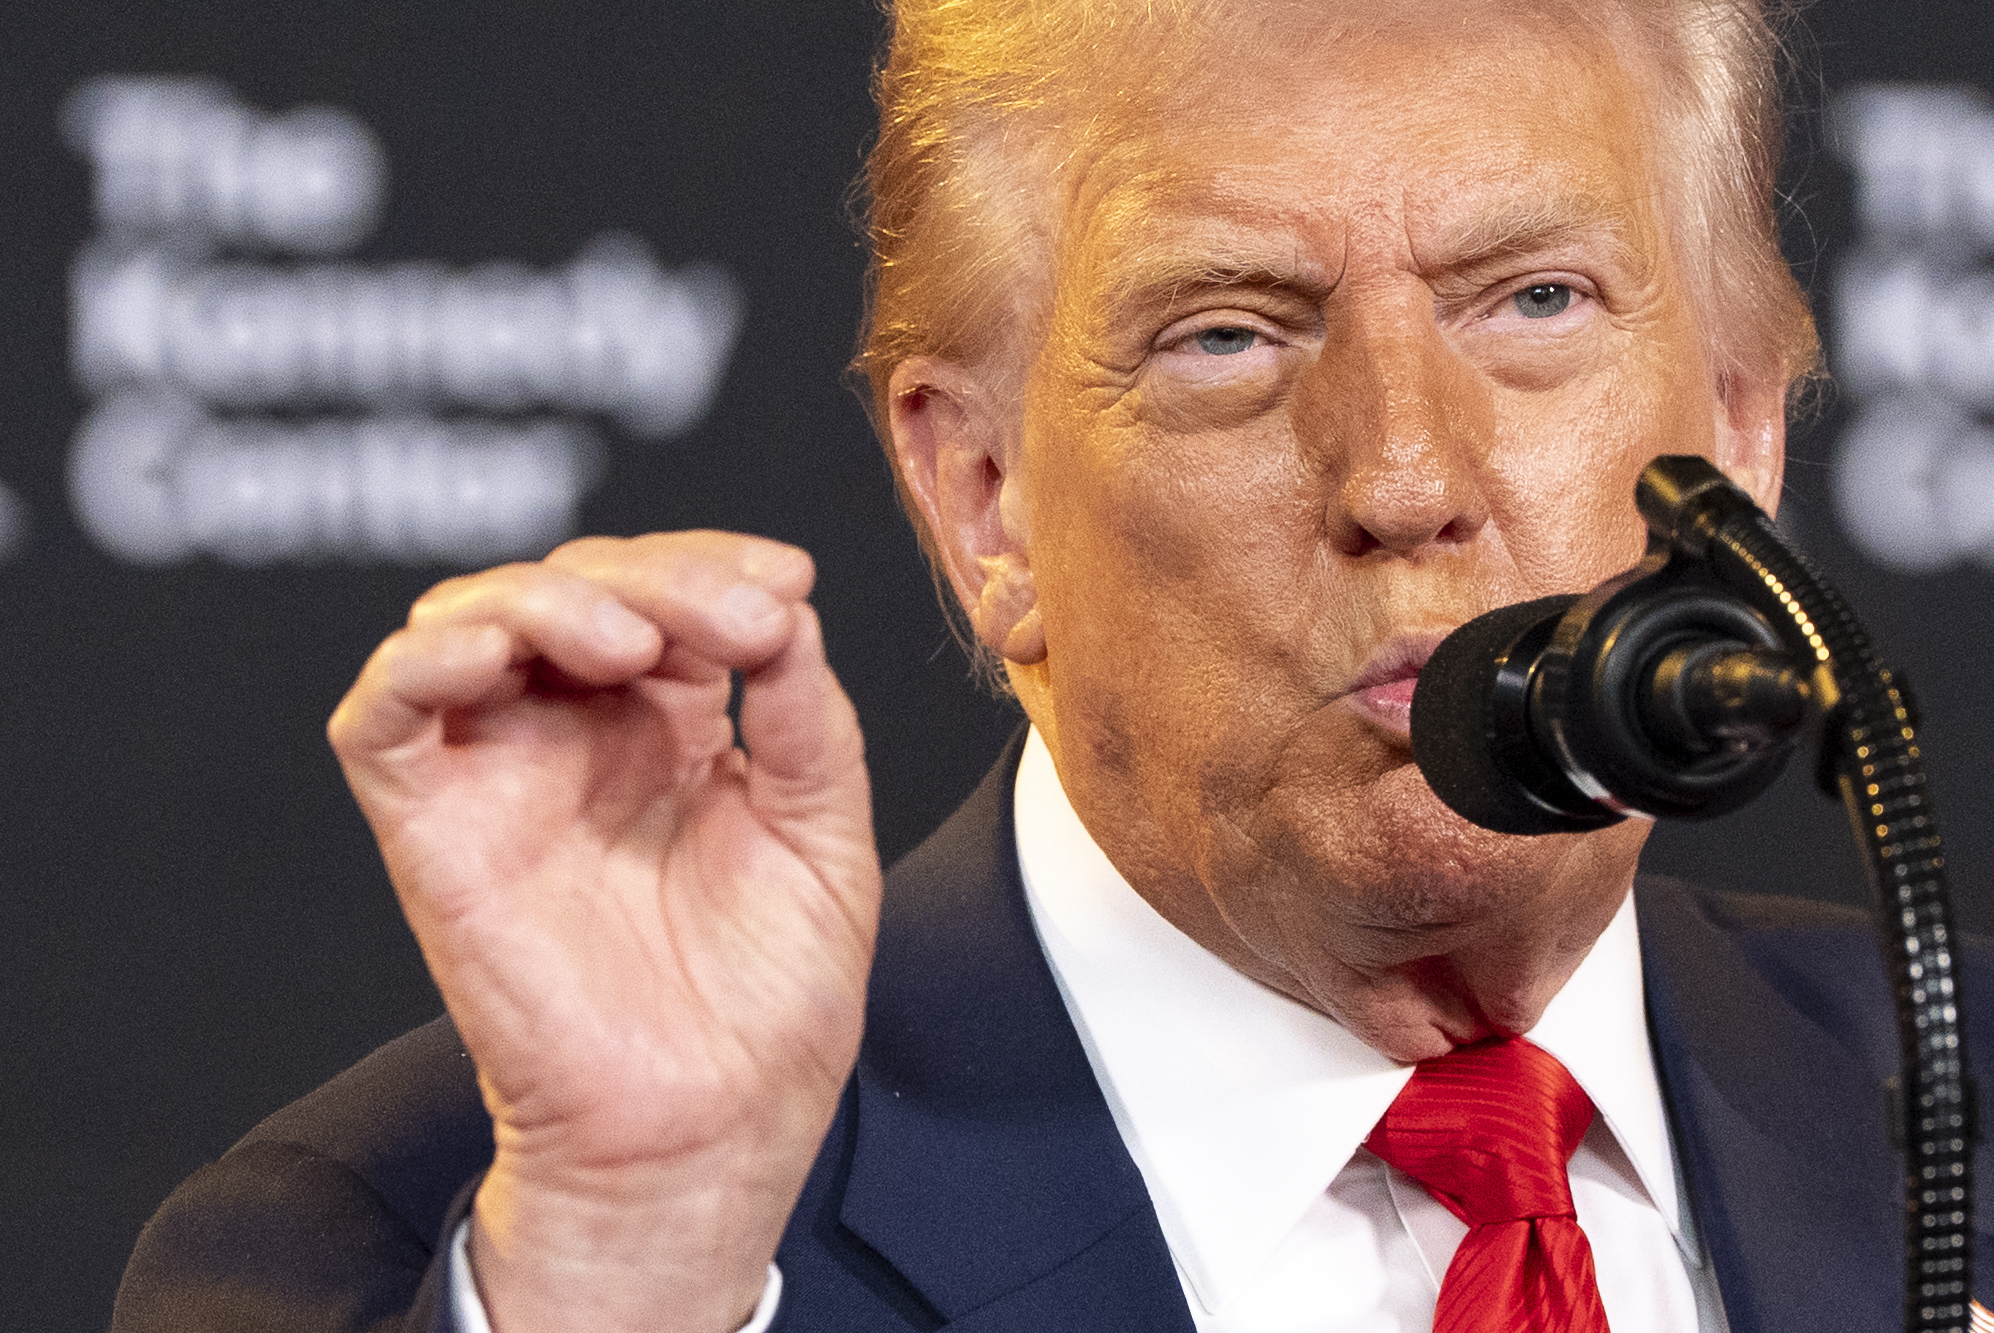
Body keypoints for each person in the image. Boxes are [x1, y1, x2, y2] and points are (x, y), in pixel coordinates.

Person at [112, 0, 1994, 1330]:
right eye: (1226, 339)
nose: (1406, 475)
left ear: (1740, 432)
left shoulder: (1961, 1103)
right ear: (984, 495)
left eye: (1533, 301)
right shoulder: (433, 1250)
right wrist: (631, 1276)